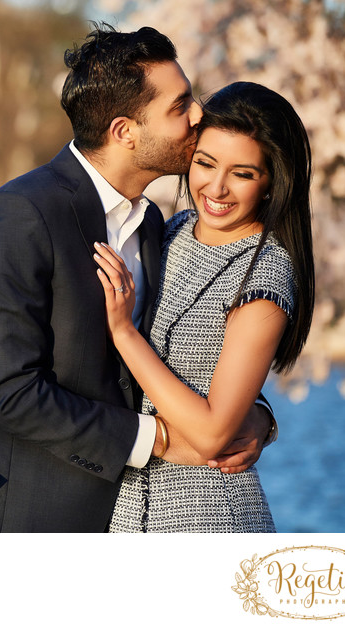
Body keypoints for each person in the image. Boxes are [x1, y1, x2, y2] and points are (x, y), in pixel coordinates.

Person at [0, 24, 275, 533]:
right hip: (7, 514)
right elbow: (7, 393)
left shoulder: (156, 224)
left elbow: (190, 341)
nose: (200, 114)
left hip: (107, 522)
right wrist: (159, 438)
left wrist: (255, 417)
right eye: (180, 106)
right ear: (125, 131)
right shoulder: (21, 214)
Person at [94, 81, 314, 532]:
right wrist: (260, 416)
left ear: (272, 181)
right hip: (127, 510)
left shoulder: (263, 275)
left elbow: (214, 434)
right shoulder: (170, 229)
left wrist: (124, 334)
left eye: (243, 173)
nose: (216, 187)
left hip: (208, 514)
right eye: (205, 163)